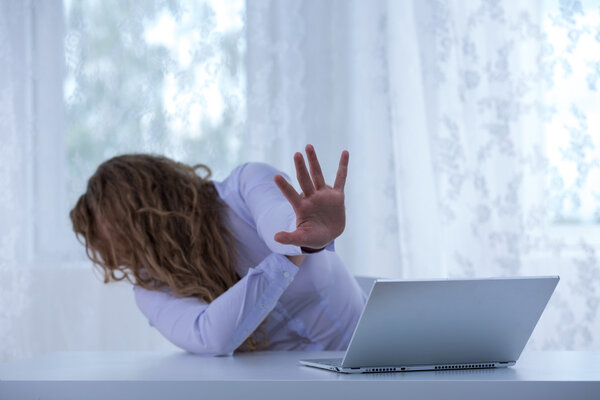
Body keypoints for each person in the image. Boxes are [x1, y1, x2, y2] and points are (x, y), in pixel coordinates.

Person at [70, 144, 366, 355]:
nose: (115, 256)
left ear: (148, 211)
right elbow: (210, 336)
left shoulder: (244, 186)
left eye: (115, 235)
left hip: (381, 354)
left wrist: (300, 233)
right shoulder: (151, 290)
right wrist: (292, 252)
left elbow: (276, 220)